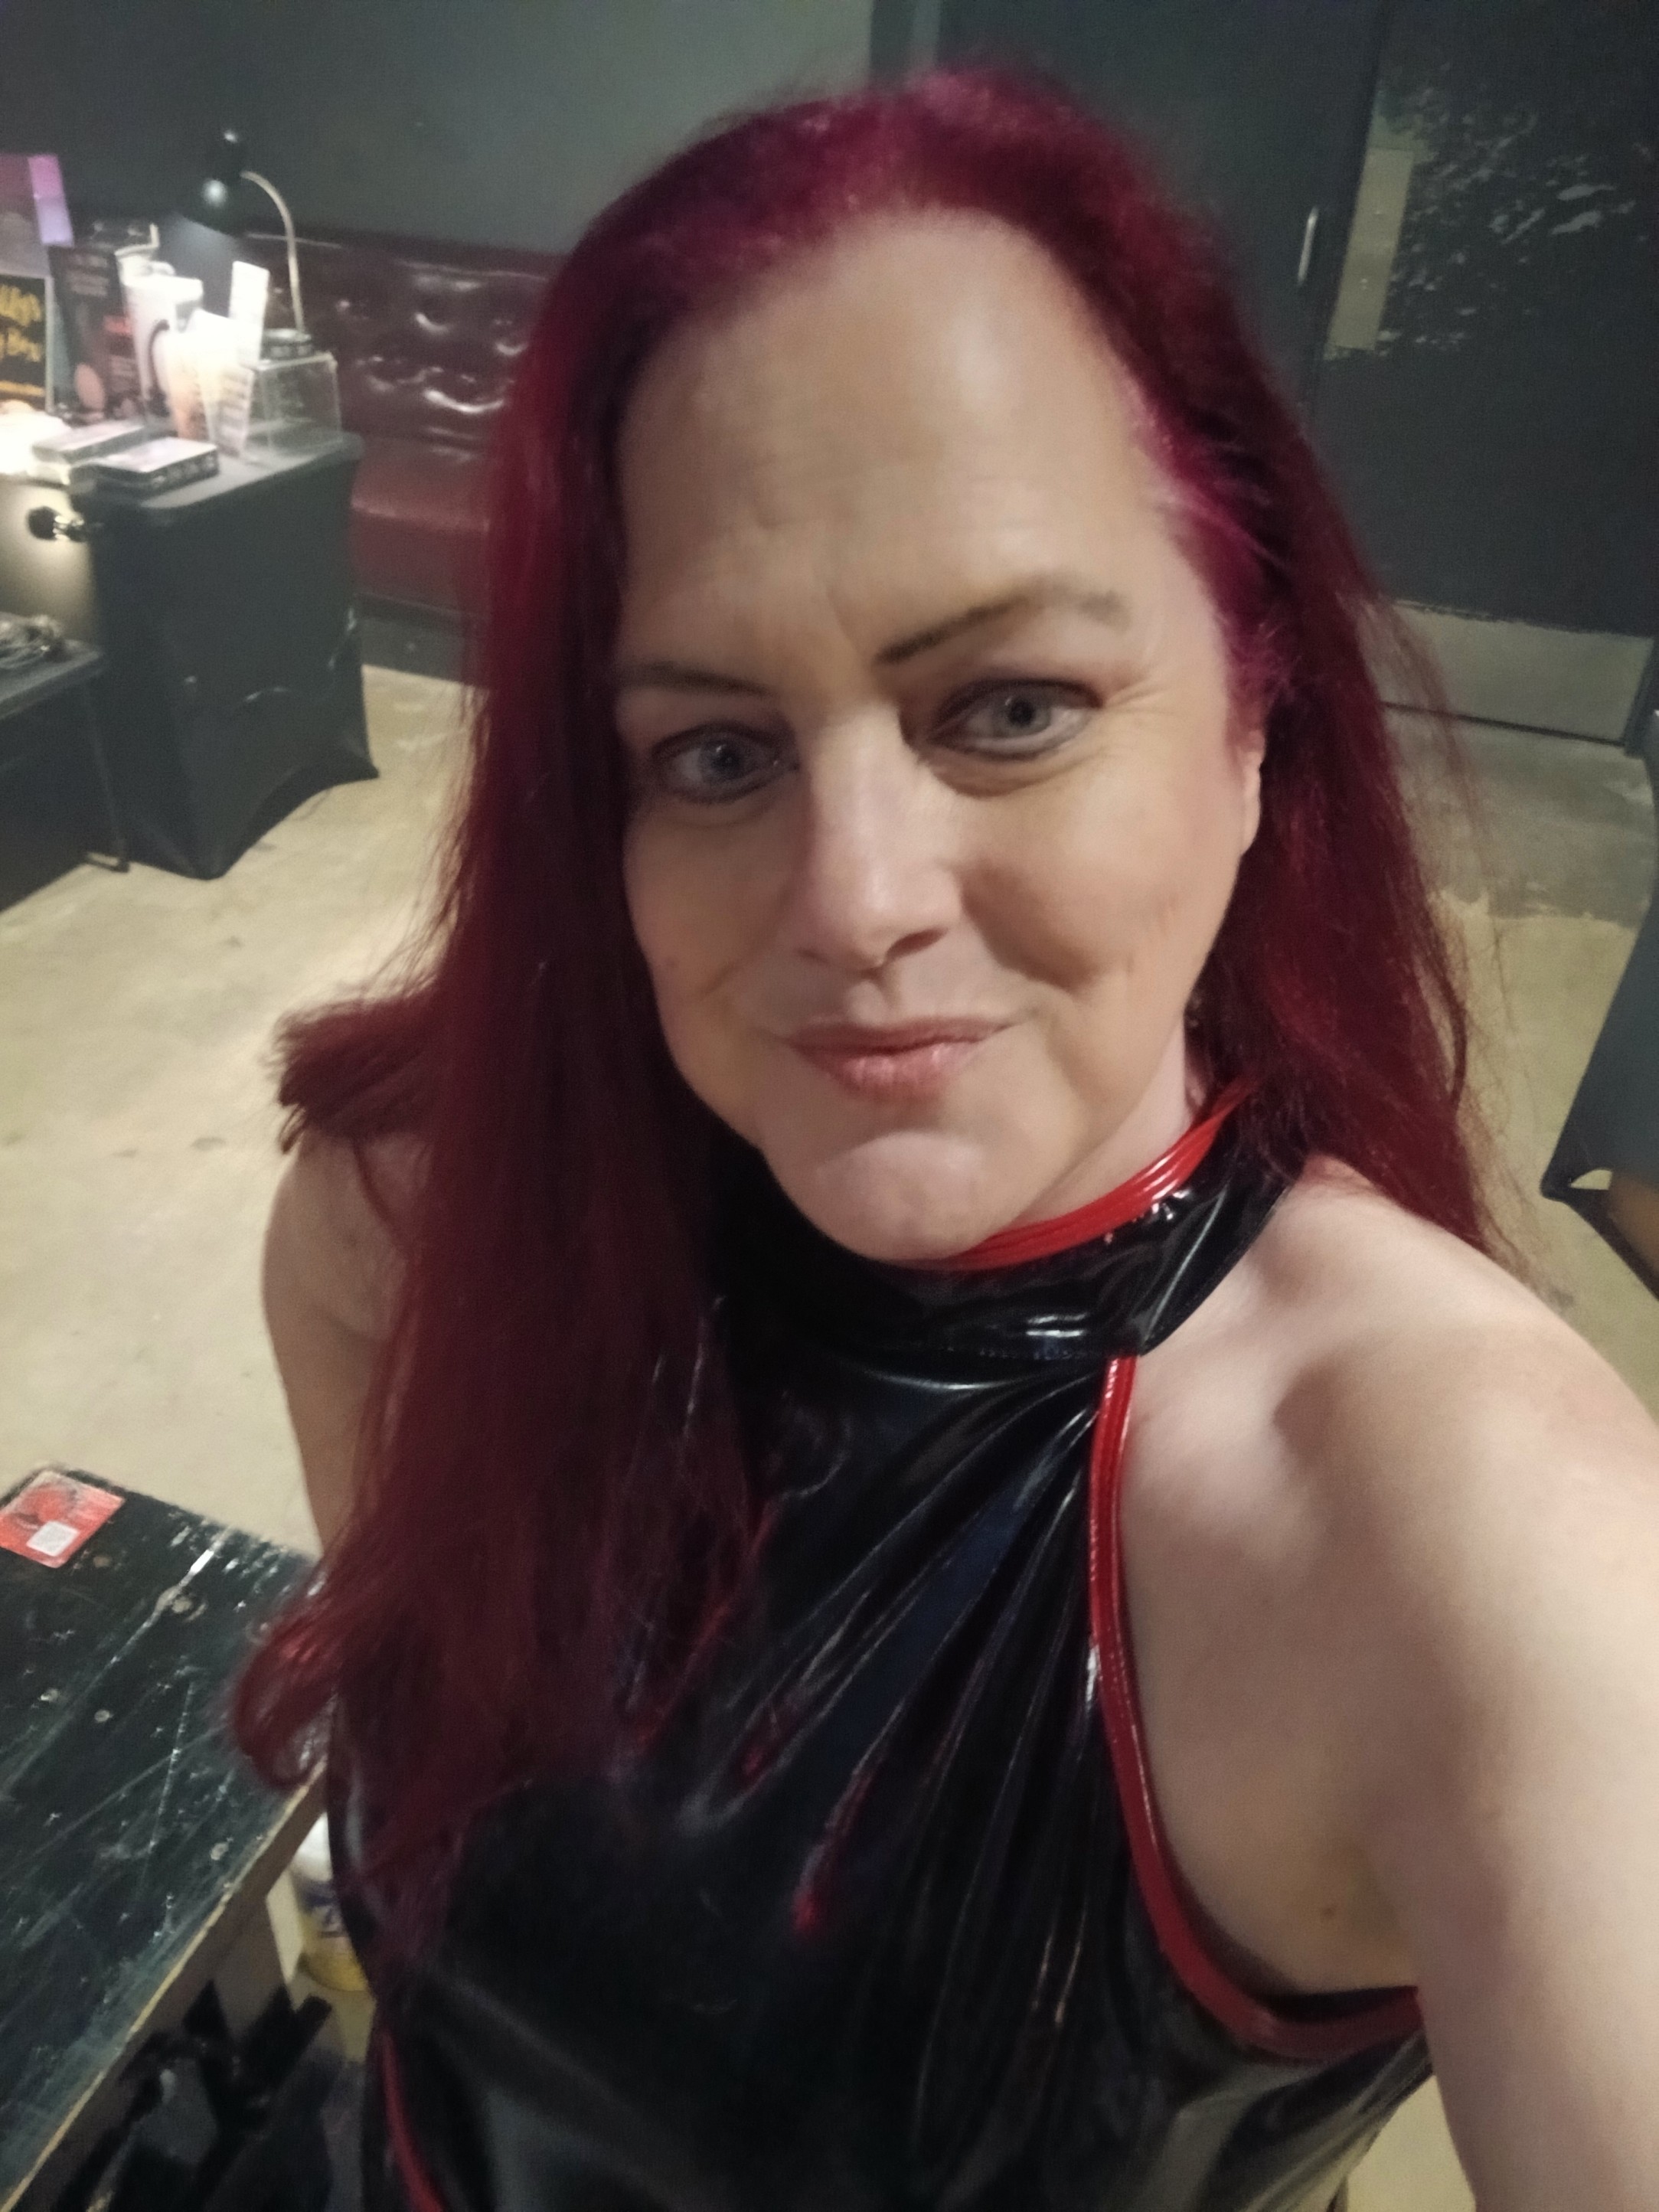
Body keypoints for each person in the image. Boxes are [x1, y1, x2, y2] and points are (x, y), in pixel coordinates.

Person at [242, 70, 1659, 2212]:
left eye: (1008, 710)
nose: (855, 900)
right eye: (717, 752)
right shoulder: (419, 1218)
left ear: (1255, 721)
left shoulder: (1451, 1519)